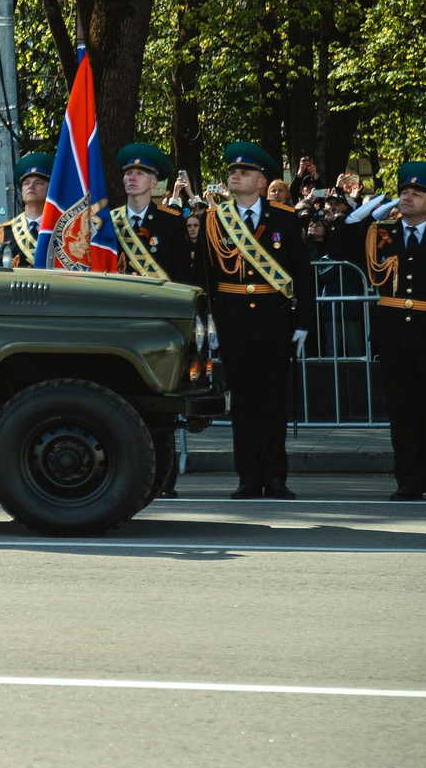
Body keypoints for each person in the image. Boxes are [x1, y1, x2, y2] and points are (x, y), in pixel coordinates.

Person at [327, 163, 426, 500]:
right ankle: (409, 480)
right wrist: (356, 217)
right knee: (403, 412)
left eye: (416, 193)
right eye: (404, 191)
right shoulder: (381, 233)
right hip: (394, 336)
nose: (407, 196)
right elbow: (340, 247)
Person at [199, 141, 315, 500]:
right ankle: (247, 477)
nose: (235, 175)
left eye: (244, 172)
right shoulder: (214, 219)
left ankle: (276, 477)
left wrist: (303, 323)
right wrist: (209, 326)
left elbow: (301, 273)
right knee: (244, 403)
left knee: (272, 402)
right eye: (233, 171)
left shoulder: (283, 217)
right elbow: (202, 277)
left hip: (273, 321)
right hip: (232, 323)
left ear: (262, 181)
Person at [110, 144, 195, 283]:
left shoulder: (171, 221)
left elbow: (182, 274)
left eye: (139, 173)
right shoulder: (110, 220)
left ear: (153, 183)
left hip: (158, 302)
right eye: (128, 173)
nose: (132, 178)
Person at [0, 152, 52, 265]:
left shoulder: (62, 229)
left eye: (39, 183)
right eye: (26, 183)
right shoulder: (5, 231)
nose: (31, 186)